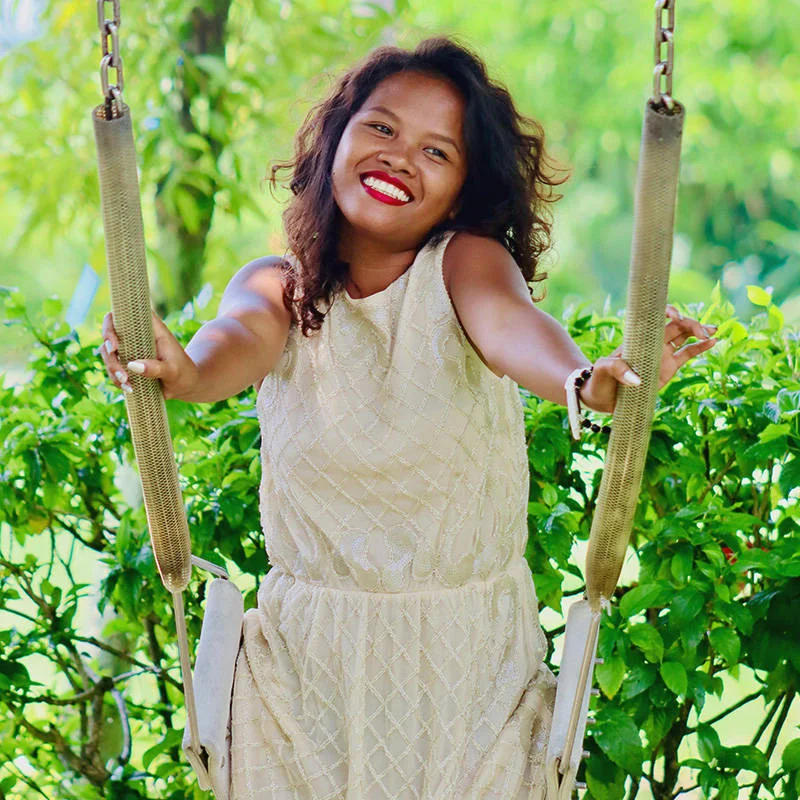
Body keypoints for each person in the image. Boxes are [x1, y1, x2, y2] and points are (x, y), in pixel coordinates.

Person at [100, 37, 717, 800]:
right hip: (301, 682)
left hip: (469, 675)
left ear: (459, 193)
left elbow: (514, 328)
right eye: (382, 128)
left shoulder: (463, 264)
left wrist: (587, 383)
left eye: (436, 151)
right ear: (336, 139)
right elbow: (231, 346)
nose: (399, 157)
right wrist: (181, 369)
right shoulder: (280, 289)